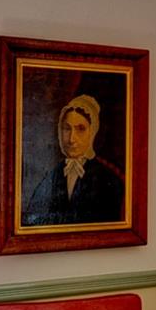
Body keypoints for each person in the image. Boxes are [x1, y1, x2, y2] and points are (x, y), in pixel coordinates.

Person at [25, 93, 124, 226]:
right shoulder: (51, 176)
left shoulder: (108, 179)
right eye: (67, 129)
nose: (71, 139)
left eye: (80, 129)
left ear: (93, 131)